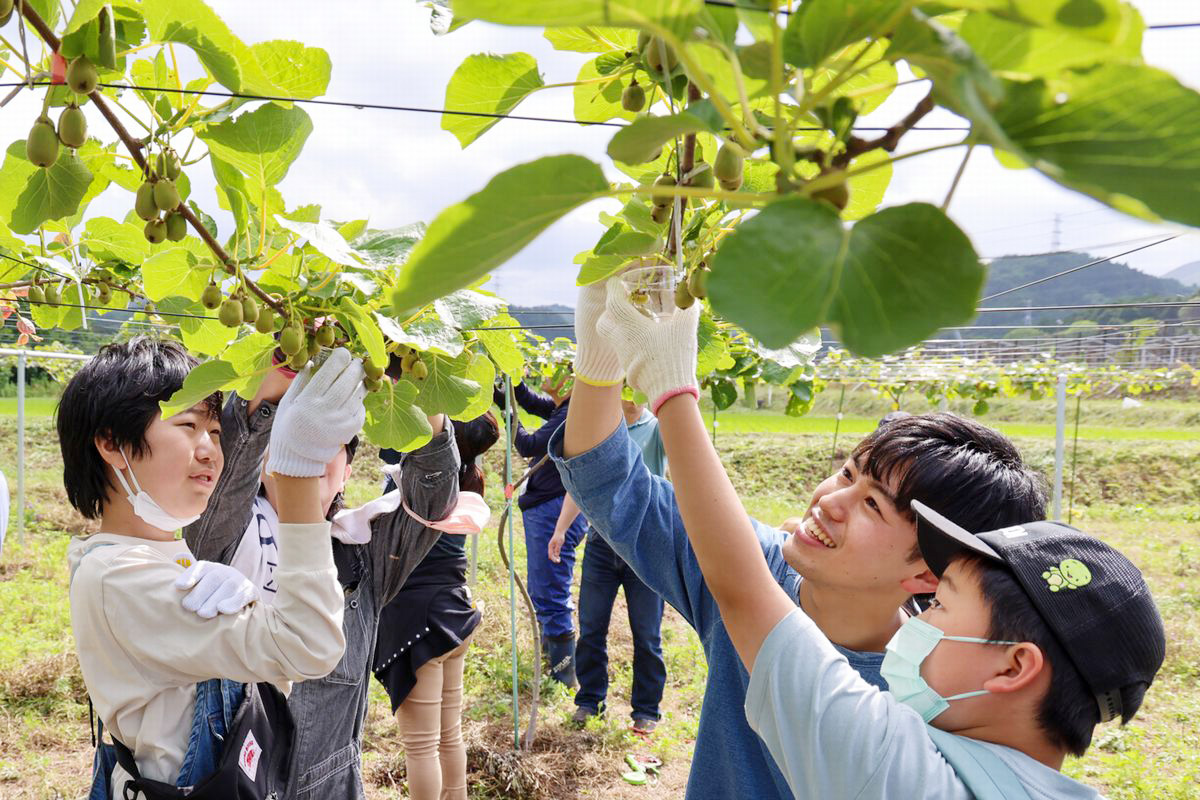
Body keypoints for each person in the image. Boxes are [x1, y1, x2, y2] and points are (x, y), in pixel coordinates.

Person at [587, 281, 1166, 798]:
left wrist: (669, 390)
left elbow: (741, 589)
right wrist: (597, 365)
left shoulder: (897, 753)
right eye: (846, 473)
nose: (830, 502)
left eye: (940, 603)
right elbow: (618, 486)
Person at [61, 338, 357, 797]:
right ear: (112, 443)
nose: (210, 451)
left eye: (215, 432)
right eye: (187, 425)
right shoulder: (119, 577)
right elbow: (309, 646)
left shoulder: (160, 556)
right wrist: (298, 470)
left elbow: (276, 670)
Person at [183, 355, 461, 800]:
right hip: (226, 784)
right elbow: (241, 442)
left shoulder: (363, 553)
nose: (315, 456)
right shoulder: (224, 527)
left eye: (332, 446)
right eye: (297, 440)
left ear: (349, 470)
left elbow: (433, 494)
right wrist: (287, 362)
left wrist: (412, 369)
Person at [373, 412, 498, 800]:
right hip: (453, 617)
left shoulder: (422, 483)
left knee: (421, 747)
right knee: (448, 735)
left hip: (420, 625)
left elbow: (388, 443)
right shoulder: (466, 481)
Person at [555, 397, 667, 734]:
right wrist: (561, 530)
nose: (630, 395)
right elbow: (581, 484)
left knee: (647, 634)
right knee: (591, 627)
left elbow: (683, 471)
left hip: (645, 544)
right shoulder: (605, 432)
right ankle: (590, 701)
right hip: (601, 543)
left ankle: (646, 710)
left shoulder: (658, 429)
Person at [493, 375, 588, 686]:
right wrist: (510, 385)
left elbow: (529, 444)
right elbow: (533, 402)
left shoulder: (573, 414)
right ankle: (554, 660)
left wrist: (508, 416)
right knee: (542, 586)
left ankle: (563, 674)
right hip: (549, 507)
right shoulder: (566, 408)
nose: (549, 374)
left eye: (560, 371)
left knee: (551, 589)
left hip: (555, 510)